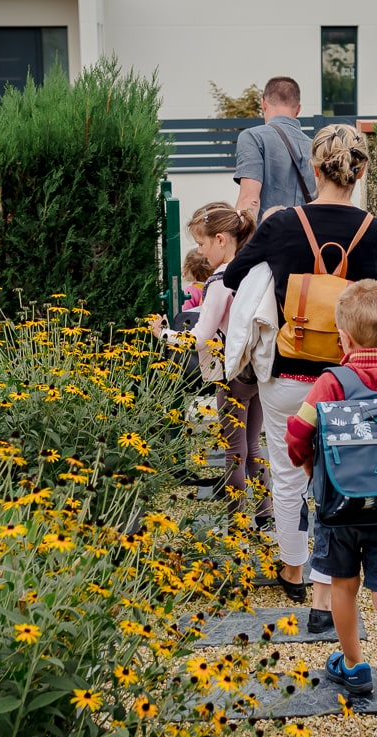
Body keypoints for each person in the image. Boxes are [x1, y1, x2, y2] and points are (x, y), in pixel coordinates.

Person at [223, 123, 377, 631]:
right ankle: (335, 575)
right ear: (360, 171)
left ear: (315, 169)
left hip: (288, 375)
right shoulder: (376, 232)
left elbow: (233, 277)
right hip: (351, 378)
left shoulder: (282, 225)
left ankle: (293, 569)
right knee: (343, 475)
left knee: (286, 471)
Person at [284, 279, 377, 737]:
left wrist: (309, 466)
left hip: (342, 509)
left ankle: (355, 667)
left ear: (343, 339)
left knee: (344, 589)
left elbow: (296, 434)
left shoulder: (333, 382)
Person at [152, 202, 272, 525]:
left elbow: (200, 337)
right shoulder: (254, 271)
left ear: (221, 240)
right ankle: (265, 513)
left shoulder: (220, 280)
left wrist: (163, 334)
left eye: (203, 244)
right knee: (253, 447)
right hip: (257, 372)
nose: (202, 253)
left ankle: (236, 522)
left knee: (234, 451)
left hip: (231, 374)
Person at [234, 77, 316, 219]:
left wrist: (240, 238)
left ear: (263, 103)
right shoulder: (315, 147)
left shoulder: (253, 138)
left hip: (268, 236)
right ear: (298, 109)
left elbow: (250, 201)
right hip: (306, 237)